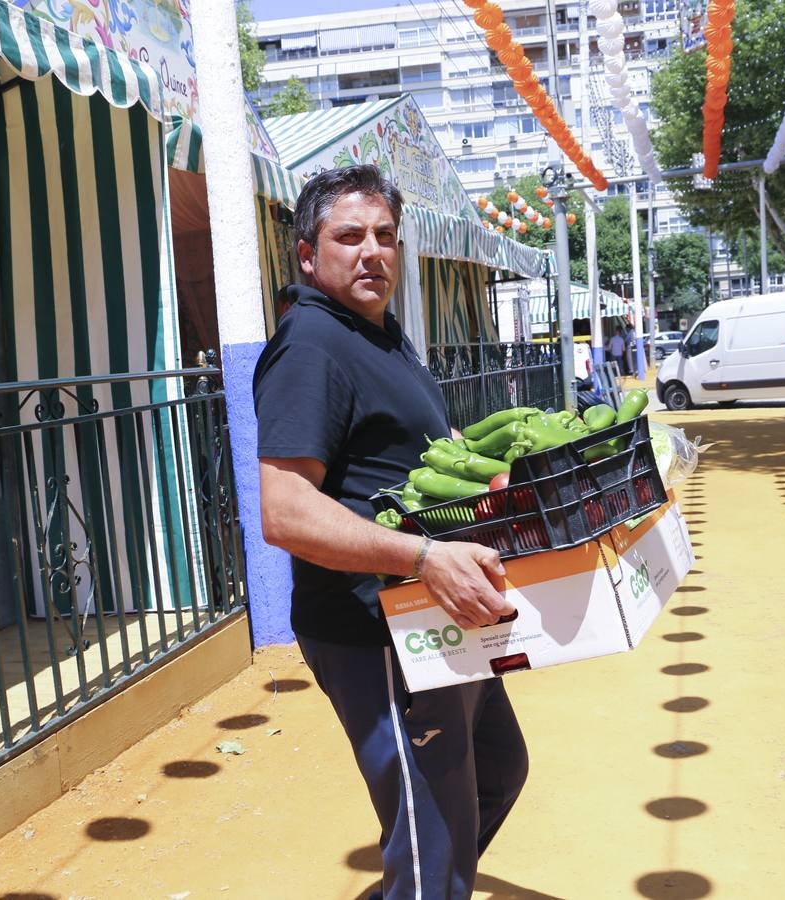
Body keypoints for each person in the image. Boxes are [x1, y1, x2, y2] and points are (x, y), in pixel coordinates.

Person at [253, 165, 528, 899]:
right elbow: (285, 510)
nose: (371, 252)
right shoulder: (311, 345)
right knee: (432, 828)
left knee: (498, 772)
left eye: (384, 236)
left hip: (440, 614)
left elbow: (398, 460)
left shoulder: (380, 336)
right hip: (376, 630)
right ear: (308, 255)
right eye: (349, 237)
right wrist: (423, 554)